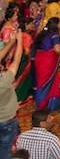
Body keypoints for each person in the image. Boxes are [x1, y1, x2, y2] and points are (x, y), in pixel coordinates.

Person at [0, 29, 22, 159]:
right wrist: (19, 40)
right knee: (6, 149)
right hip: (6, 121)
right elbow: (17, 60)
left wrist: (11, 42)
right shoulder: (3, 81)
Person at [33, 17, 60, 110]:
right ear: (57, 25)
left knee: (48, 81)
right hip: (48, 62)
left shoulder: (43, 33)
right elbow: (57, 49)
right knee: (44, 83)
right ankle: (43, 105)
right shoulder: (54, 35)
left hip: (39, 60)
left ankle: (49, 104)